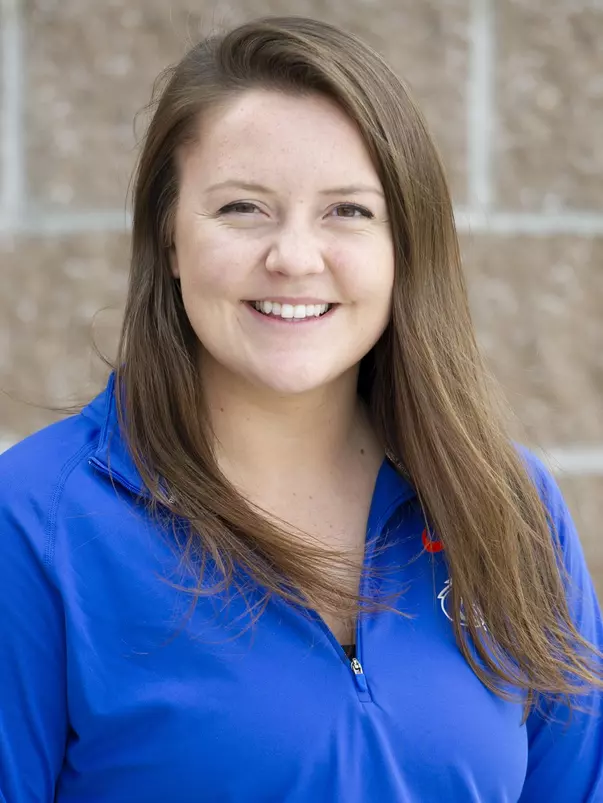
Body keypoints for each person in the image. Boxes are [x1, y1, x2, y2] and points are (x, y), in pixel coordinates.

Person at [0, 15, 601, 803]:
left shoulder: (507, 507)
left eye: (346, 211)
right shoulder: (34, 523)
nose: (292, 256)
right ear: (170, 240)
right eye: (242, 208)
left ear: (403, 246)